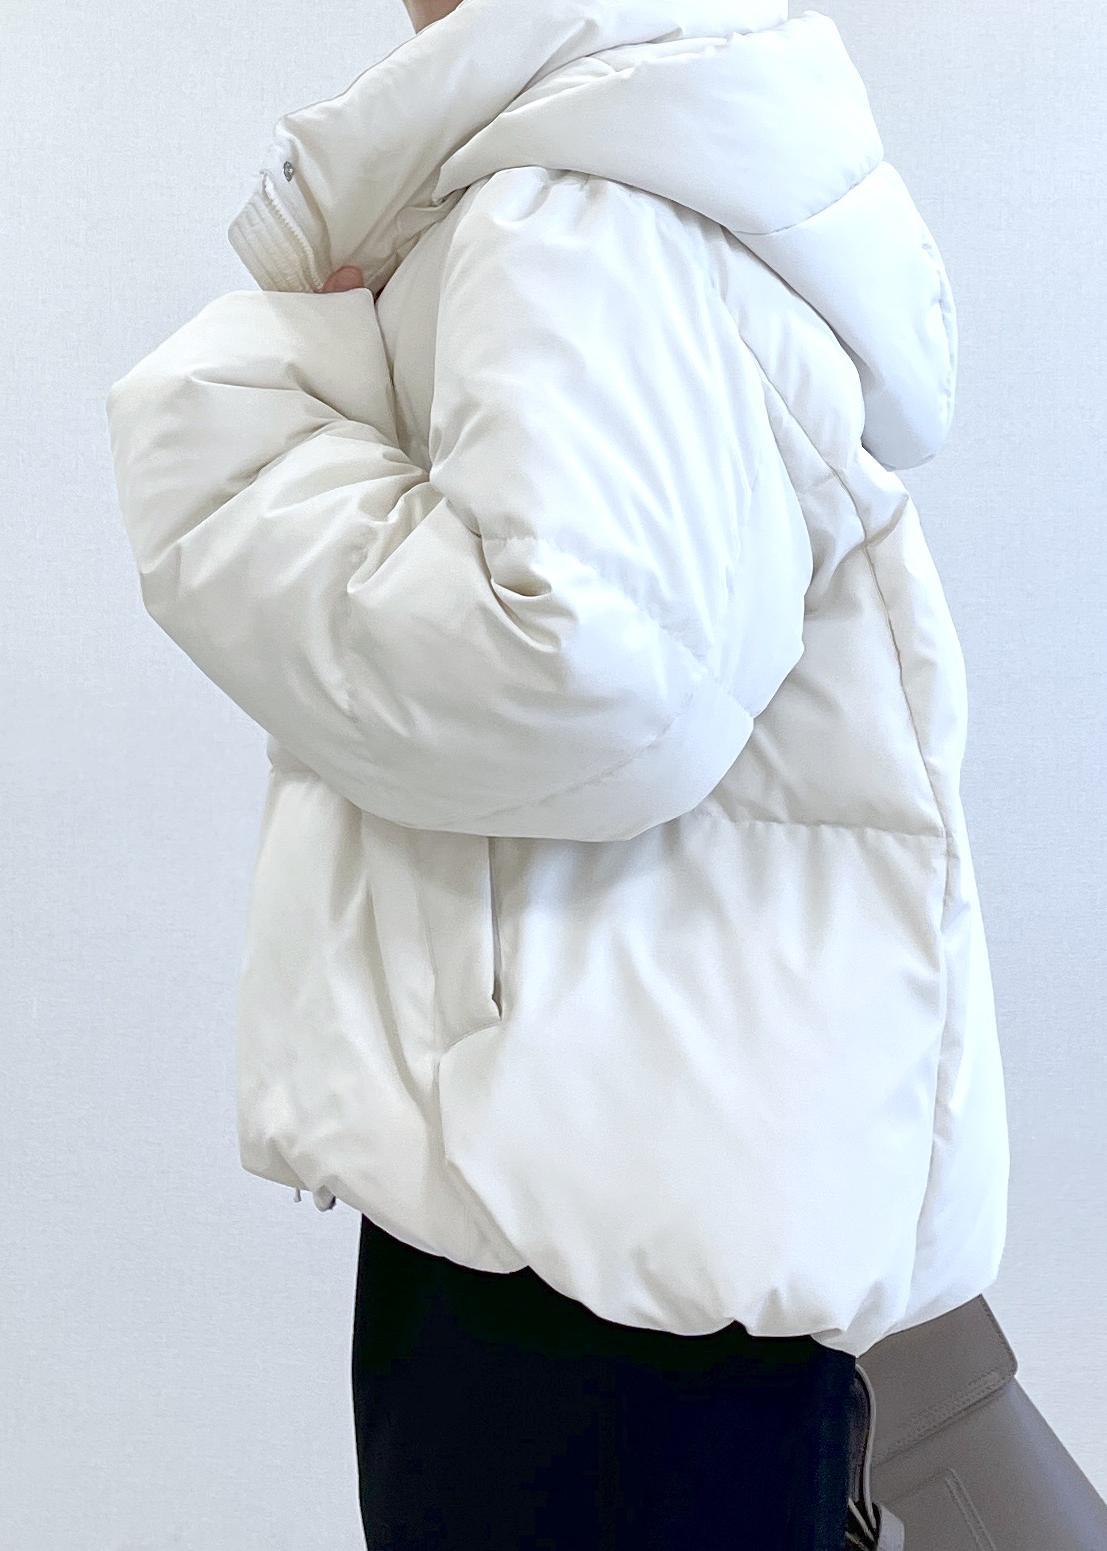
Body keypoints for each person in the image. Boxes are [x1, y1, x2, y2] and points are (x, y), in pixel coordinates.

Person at [105, 0, 1010, 1544]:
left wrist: (240, 437)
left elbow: (593, 678)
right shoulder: (614, 170)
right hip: (625, 1203)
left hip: (583, 1279)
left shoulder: (575, 212)